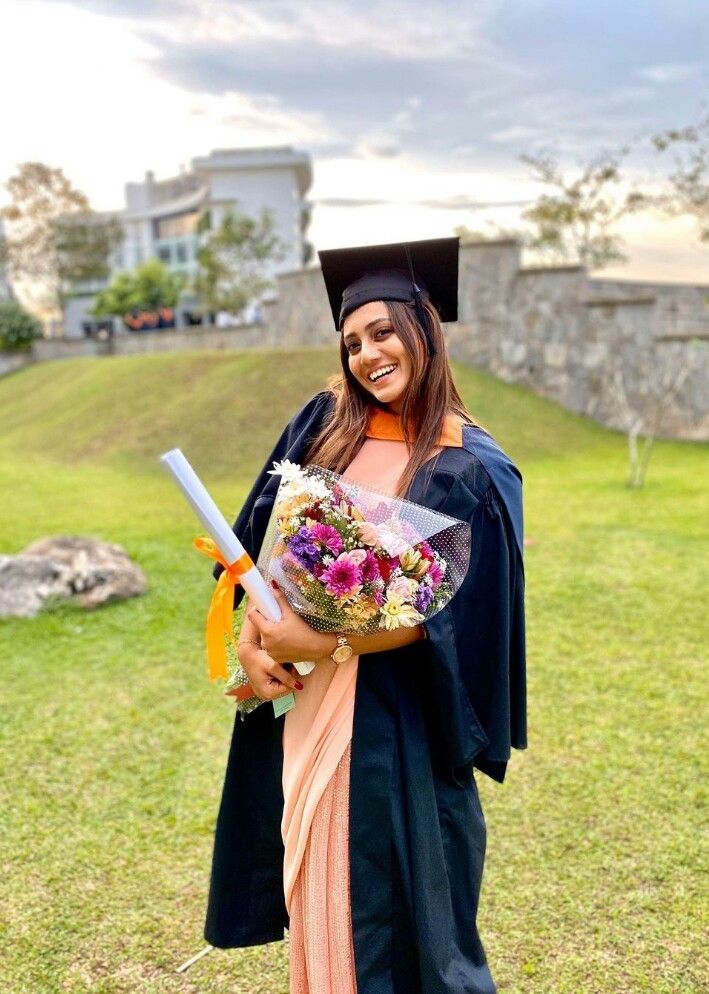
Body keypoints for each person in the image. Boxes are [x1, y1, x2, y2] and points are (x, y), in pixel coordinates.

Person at [204, 236, 527, 994]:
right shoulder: (324, 423)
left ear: (424, 329)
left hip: (397, 721)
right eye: (352, 340)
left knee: (402, 912)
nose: (366, 354)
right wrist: (256, 643)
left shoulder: (470, 463)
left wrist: (321, 635)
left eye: (383, 331)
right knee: (317, 880)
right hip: (310, 702)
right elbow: (258, 541)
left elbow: (460, 612)